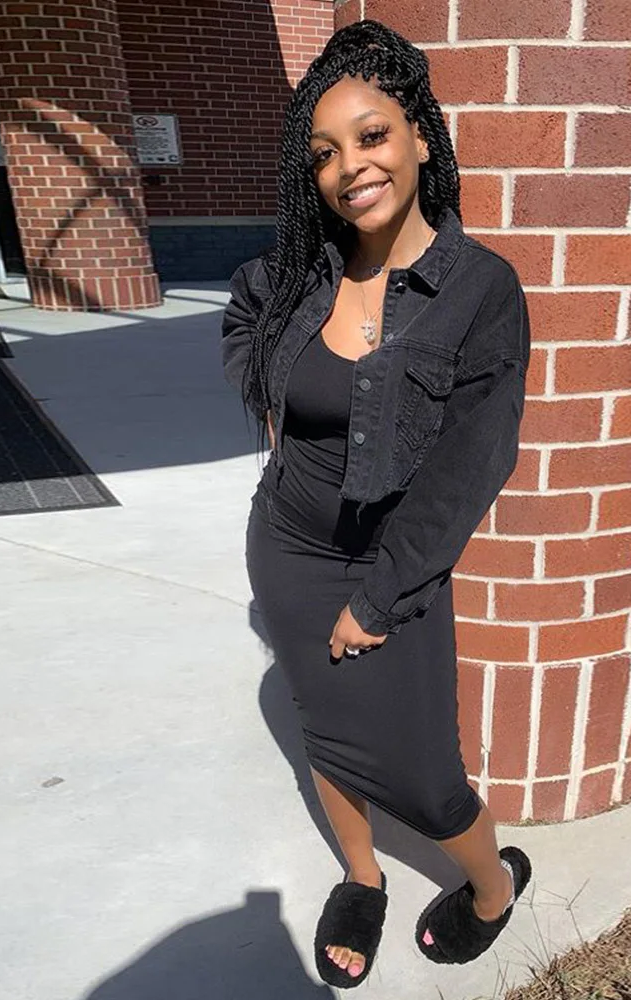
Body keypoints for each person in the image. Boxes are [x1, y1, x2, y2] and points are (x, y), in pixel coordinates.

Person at [221, 20, 532, 988]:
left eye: (371, 135)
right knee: (324, 727)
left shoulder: (479, 290)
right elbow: (243, 323)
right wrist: (262, 377)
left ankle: (493, 886)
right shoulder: (292, 277)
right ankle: (363, 875)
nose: (349, 166)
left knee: (426, 775)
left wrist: (380, 597)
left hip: (392, 567)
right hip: (287, 548)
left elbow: (471, 465)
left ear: (419, 139)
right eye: (323, 153)